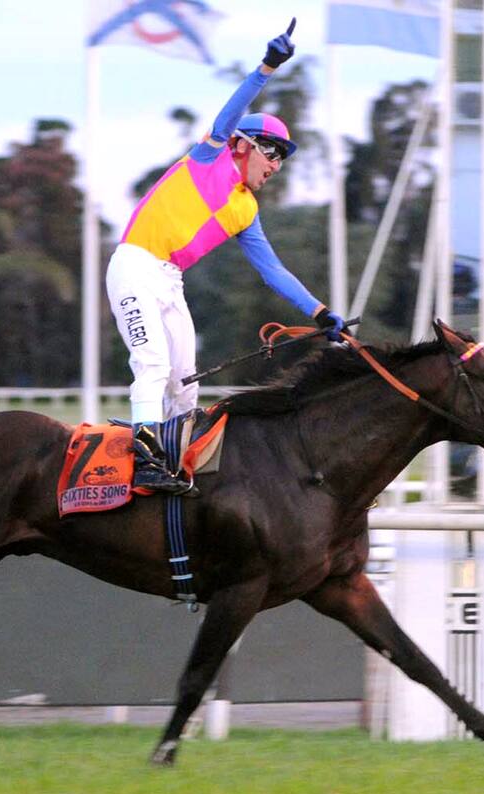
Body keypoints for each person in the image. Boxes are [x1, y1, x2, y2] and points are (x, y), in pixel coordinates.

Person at [106, 19, 347, 495]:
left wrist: (320, 312)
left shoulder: (246, 209)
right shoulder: (210, 155)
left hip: (169, 280)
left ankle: (174, 462)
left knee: (186, 385)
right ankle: (146, 454)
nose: (276, 166)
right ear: (244, 144)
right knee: (152, 364)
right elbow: (230, 111)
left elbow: (273, 270)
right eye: (272, 153)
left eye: (282, 159)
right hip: (133, 265)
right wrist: (267, 68)